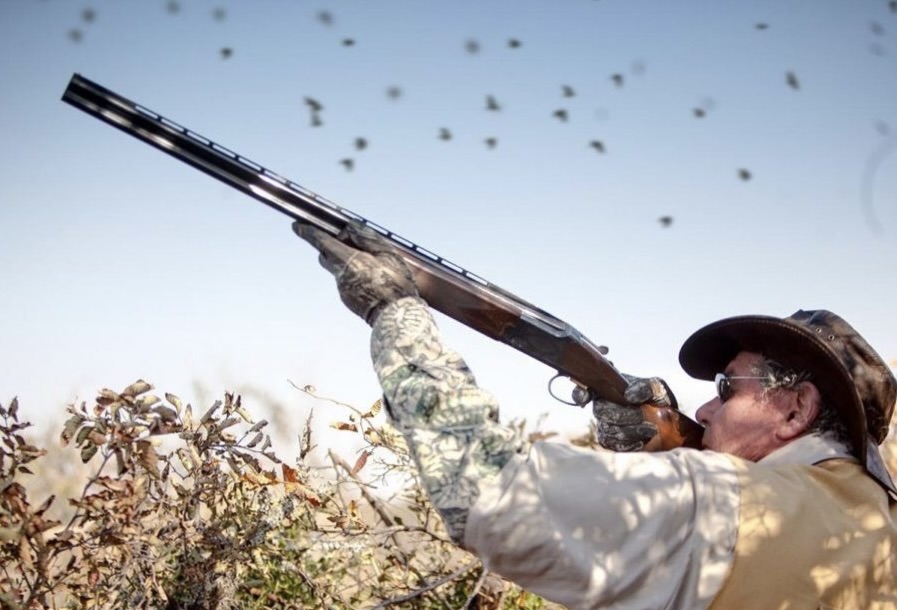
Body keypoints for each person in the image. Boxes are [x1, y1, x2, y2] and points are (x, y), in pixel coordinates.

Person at [293, 220, 897, 609]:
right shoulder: (875, 519)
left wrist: (394, 312)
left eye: (725, 387)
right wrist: (663, 443)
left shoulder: (721, 500)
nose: (707, 407)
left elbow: (488, 494)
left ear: (794, 410)